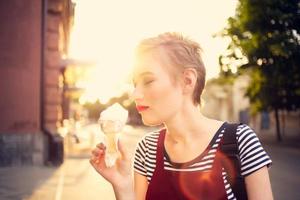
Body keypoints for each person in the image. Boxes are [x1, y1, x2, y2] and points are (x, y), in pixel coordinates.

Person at [90, 32, 273, 200]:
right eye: (135, 83)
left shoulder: (240, 142)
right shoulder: (147, 150)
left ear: (187, 81)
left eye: (148, 81)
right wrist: (122, 185)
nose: (135, 94)